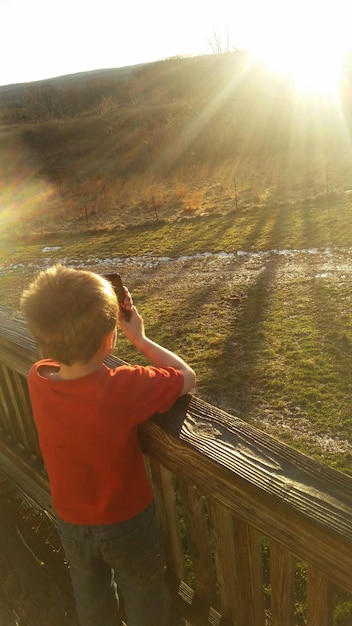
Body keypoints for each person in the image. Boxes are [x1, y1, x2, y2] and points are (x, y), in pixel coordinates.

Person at [20, 264, 196, 626]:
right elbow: (187, 378)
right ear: (109, 339)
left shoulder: (38, 378)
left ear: (42, 339)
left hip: (70, 520)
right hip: (126, 523)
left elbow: (61, 356)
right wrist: (140, 338)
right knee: (146, 600)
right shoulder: (122, 386)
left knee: (92, 601)